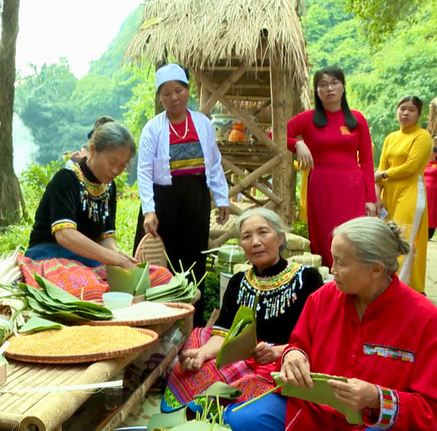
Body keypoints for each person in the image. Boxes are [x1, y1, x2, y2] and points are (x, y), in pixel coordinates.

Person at [224, 217, 437, 431]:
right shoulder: (322, 299)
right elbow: (298, 345)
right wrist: (293, 356)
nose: (332, 269)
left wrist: (377, 399)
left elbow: (430, 410)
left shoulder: (425, 319)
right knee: (241, 418)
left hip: (374, 423)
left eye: (341, 262)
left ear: (376, 269)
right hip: (314, 411)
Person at [161, 207, 323, 412]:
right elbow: (224, 332)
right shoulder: (239, 281)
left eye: (263, 232)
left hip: (287, 359)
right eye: (247, 236)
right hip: (243, 358)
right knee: (195, 362)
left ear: (281, 238)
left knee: (248, 398)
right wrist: (202, 353)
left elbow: (318, 336)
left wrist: (277, 352)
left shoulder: (307, 278)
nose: (255, 242)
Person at [21, 118, 173, 301]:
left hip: (88, 260)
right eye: (112, 161)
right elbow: (65, 235)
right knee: (92, 290)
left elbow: (105, 236)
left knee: (162, 279)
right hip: (50, 257)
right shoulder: (66, 180)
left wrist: (117, 254)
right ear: (93, 150)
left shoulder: (109, 187)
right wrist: (113, 259)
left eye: (123, 165)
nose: (116, 170)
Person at [134, 63, 230, 327]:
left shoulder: (202, 123)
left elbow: (214, 162)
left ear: (188, 91)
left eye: (178, 90)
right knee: (158, 261)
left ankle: (191, 323)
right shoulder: (153, 128)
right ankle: (155, 321)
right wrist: (149, 210)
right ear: (159, 97)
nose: (173, 97)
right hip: (163, 200)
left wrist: (221, 197)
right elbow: (143, 171)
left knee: (192, 260)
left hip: (195, 198)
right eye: (166, 93)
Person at [285, 66, 377, 268]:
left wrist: (370, 198)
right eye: (323, 84)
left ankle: (354, 283)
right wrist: (297, 144)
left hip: (352, 188)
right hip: (321, 186)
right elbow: (276, 134)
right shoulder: (307, 119)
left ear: (343, 87)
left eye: (335, 83)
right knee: (325, 237)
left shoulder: (357, 119)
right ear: (316, 91)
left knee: (353, 237)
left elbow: (367, 161)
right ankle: (327, 285)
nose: (329, 88)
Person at [374, 95, 432, 293]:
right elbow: (380, 169)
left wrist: (383, 175)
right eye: (402, 108)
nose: (405, 113)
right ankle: (387, 283)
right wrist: (377, 198)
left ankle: (407, 288)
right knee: (387, 237)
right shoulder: (391, 137)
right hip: (389, 195)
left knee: (405, 238)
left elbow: (411, 167)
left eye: (411, 110)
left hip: (411, 194)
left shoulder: (422, 136)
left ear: (419, 114)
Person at [424, 137, 437, 240]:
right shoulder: (423, 164)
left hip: (433, 193)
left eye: (430, 152)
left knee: (432, 211)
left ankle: (429, 232)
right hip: (422, 191)